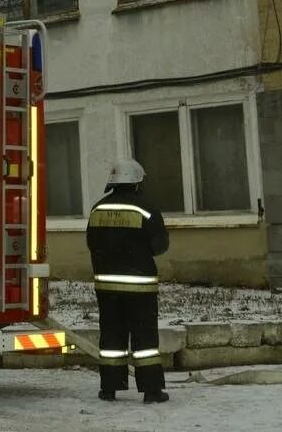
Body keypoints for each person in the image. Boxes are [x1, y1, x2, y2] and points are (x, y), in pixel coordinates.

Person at [86, 158, 169, 404]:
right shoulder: (146, 209)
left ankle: (109, 388)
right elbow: (160, 246)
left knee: (111, 337)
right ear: (135, 182)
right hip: (139, 287)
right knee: (145, 341)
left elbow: (91, 243)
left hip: (106, 287)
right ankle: (151, 391)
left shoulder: (97, 209)